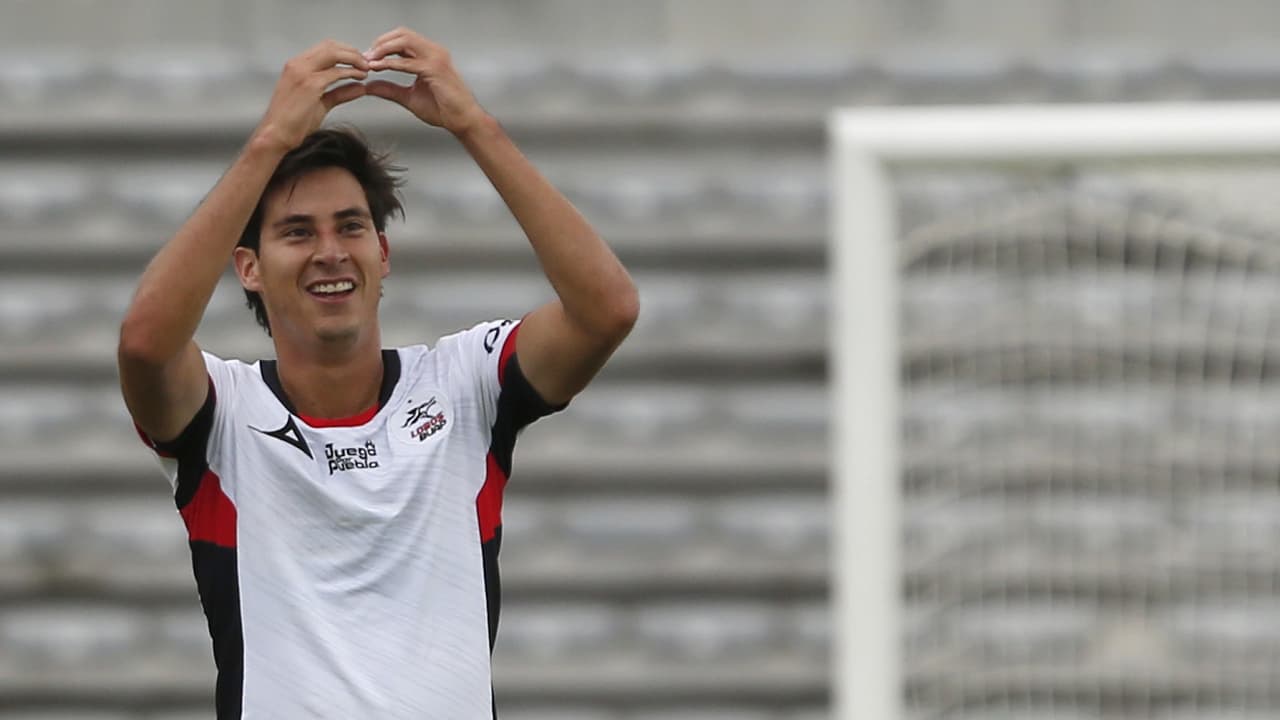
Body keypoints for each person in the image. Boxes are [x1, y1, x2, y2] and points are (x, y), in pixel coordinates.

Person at [117, 28, 638, 719]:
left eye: (351, 226)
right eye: (297, 232)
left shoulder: (465, 384)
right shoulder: (221, 414)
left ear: (383, 253)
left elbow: (608, 309)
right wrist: (270, 141)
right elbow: (144, 344)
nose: (330, 251)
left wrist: (473, 124)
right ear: (248, 267)